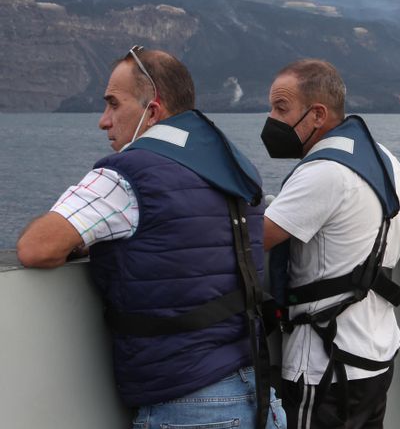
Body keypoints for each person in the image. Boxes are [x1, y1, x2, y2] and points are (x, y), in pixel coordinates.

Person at [16, 46, 285, 429]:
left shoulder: (127, 174)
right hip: (257, 392)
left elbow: (35, 248)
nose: (103, 121)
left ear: (153, 111)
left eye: (113, 104)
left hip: (189, 406)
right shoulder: (238, 169)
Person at [261, 59, 400, 429]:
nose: (271, 119)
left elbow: (252, 241)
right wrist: (383, 241)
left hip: (325, 367)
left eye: (281, 108)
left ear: (317, 114)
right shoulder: (380, 158)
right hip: (375, 354)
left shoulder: (322, 172)